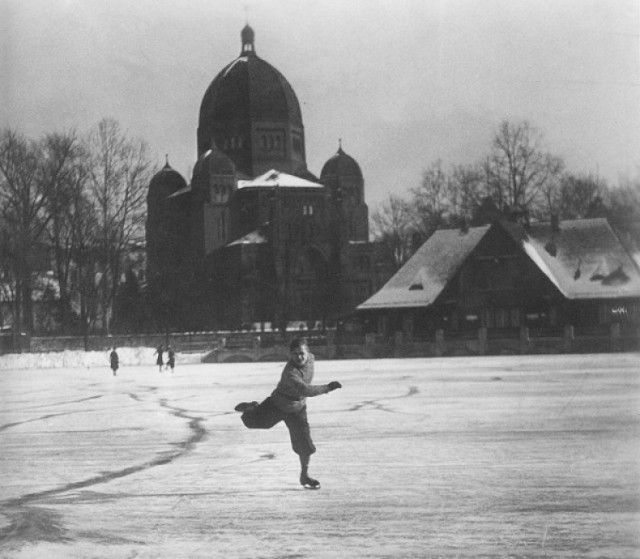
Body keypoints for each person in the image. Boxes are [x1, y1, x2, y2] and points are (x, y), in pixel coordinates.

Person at [234, 337, 342, 489]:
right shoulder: (290, 373)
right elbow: (306, 390)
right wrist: (327, 388)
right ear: (290, 355)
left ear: (308, 352)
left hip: (297, 408)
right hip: (278, 404)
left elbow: (304, 388)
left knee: (305, 446)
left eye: (302, 353)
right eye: (295, 354)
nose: (299, 357)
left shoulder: (311, 359)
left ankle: (304, 476)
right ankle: (251, 408)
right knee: (251, 422)